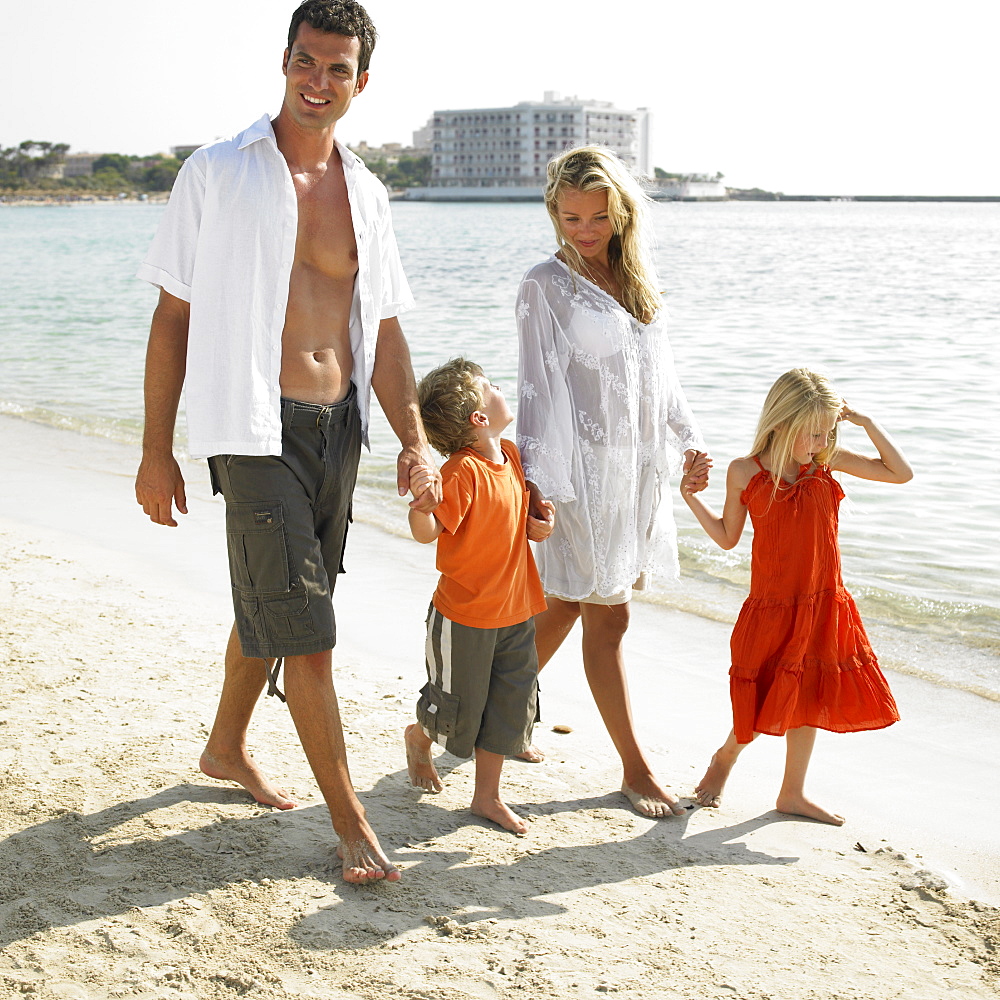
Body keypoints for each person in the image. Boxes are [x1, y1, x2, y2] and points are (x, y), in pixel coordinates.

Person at [133, 0, 441, 883]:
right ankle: (349, 824)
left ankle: (226, 747)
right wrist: (158, 449)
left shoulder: (369, 192)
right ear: (284, 61)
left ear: (361, 81)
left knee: (276, 602)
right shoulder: (218, 172)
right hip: (250, 425)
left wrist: (414, 440)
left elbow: (381, 328)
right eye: (306, 61)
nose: (318, 81)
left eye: (337, 68)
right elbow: (173, 317)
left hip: (336, 425)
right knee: (309, 631)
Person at [515, 145, 708, 818]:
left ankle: (449, 726)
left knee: (571, 610)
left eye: (597, 216)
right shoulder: (546, 283)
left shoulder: (637, 280)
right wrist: (540, 487)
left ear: (621, 212)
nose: (584, 230)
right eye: (570, 217)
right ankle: (635, 769)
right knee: (604, 615)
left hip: (635, 478)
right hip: (580, 480)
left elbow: (664, 377)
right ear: (554, 213)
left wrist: (691, 442)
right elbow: (536, 390)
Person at [679, 368, 912, 825]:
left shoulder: (825, 461)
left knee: (808, 693)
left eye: (828, 431)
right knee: (762, 697)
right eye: (813, 432)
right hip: (772, 606)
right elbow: (728, 537)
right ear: (782, 422)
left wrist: (865, 421)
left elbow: (899, 474)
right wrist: (690, 498)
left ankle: (792, 792)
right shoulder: (745, 471)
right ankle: (726, 756)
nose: (821, 440)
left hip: (823, 602)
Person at [403, 358, 555, 834]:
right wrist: (421, 506)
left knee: (510, 705)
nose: (500, 387)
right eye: (490, 386)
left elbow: (515, 518)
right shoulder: (461, 472)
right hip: (464, 617)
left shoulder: (509, 455)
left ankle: (486, 797)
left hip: (517, 609)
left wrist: (540, 524)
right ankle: (420, 735)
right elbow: (427, 531)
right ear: (478, 419)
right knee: (456, 710)